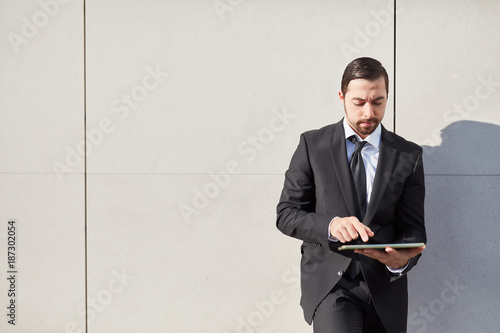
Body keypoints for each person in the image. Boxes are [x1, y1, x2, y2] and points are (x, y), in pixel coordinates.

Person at [276, 57, 427, 333]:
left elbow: (413, 228)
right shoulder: (312, 145)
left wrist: (401, 261)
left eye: (378, 101)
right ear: (341, 97)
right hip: (331, 286)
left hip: (386, 289)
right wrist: (331, 225)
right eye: (359, 102)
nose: (369, 112)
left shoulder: (409, 155)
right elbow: (287, 214)